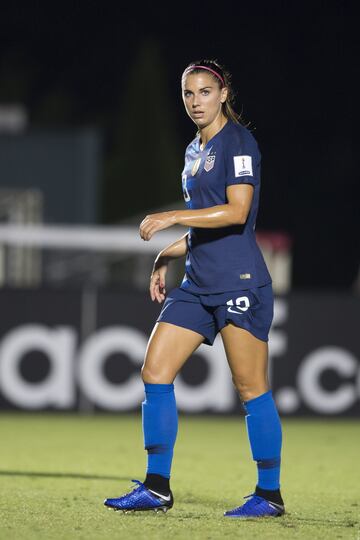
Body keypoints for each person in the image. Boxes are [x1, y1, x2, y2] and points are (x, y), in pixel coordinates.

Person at [104, 59, 285, 519]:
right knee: (154, 372)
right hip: (198, 284)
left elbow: (237, 212)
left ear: (223, 94)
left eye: (205, 92)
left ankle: (269, 494)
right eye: (188, 93)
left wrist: (171, 216)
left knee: (251, 389)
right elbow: (207, 224)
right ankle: (157, 486)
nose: (196, 101)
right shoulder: (192, 150)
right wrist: (171, 252)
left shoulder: (239, 142)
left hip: (239, 282)